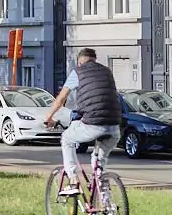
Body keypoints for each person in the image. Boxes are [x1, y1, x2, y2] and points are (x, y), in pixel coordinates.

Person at [44, 48, 121, 195]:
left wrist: (48, 117)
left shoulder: (78, 72)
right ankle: (105, 199)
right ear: (94, 60)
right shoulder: (107, 71)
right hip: (114, 126)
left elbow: (61, 99)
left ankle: (73, 181)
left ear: (79, 62)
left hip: (93, 123)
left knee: (67, 139)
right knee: (99, 164)